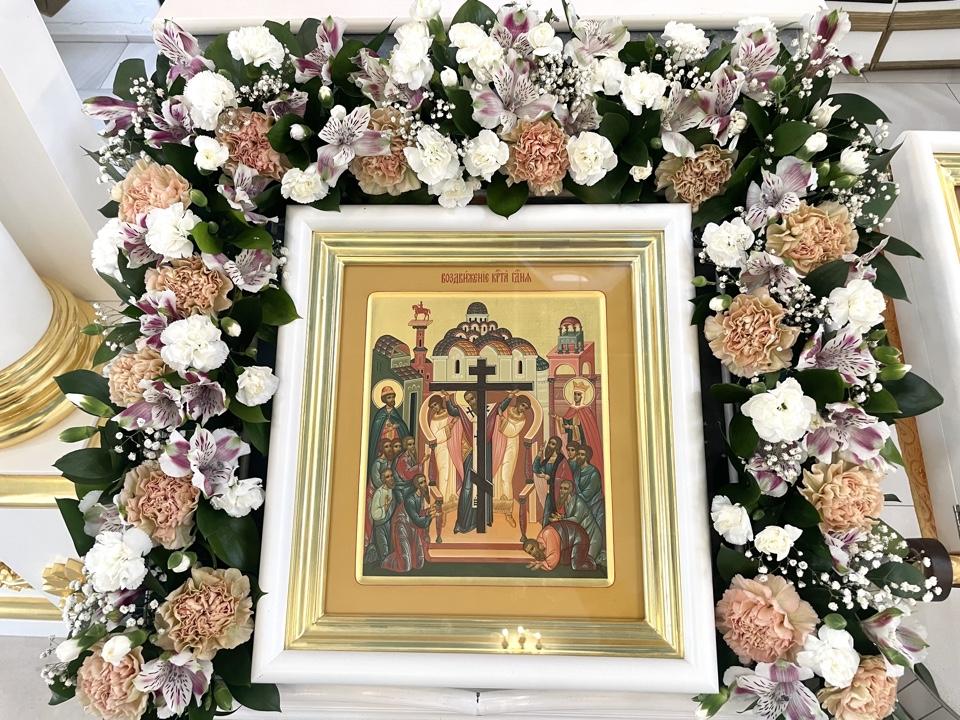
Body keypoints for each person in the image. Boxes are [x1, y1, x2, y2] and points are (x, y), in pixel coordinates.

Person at [491, 392, 538, 527]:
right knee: (494, 475)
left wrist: (502, 418)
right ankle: (490, 508)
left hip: (510, 447)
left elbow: (511, 431)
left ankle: (508, 512)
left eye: (526, 408)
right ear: (517, 403)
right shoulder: (506, 409)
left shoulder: (522, 419)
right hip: (498, 444)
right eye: (522, 405)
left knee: (505, 477)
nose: (523, 409)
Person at [382, 475, 438, 572]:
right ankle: (386, 561)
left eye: (425, 481)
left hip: (412, 526)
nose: (424, 484)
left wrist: (428, 512)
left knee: (419, 563)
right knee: (405, 566)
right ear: (417, 485)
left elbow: (417, 514)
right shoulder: (410, 500)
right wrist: (430, 516)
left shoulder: (420, 497)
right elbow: (418, 521)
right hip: (402, 526)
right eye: (421, 483)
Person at [423, 393, 464, 512]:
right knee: (444, 473)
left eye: (435, 405)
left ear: (440, 403)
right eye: (432, 407)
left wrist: (456, 425)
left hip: (453, 447)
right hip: (441, 449)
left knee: (454, 471)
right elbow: (435, 437)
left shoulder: (450, 413)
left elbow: (459, 427)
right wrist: (450, 425)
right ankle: (444, 501)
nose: (435, 408)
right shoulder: (434, 419)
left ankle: (454, 498)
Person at [550, 479, 604, 566]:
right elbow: (570, 517)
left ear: (571, 490)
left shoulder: (578, 502)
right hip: (582, 535)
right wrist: (561, 517)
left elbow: (576, 520)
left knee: (589, 561)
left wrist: (561, 520)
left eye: (565, 488)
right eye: (561, 488)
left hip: (592, 536)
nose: (562, 491)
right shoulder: (566, 502)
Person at [559, 383, 604, 478]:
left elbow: (587, 429)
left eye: (578, 394)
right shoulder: (571, 409)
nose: (576, 396)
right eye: (575, 394)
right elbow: (565, 420)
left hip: (583, 441)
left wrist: (571, 427)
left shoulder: (586, 411)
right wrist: (559, 419)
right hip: (572, 441)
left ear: (582, 396)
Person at [368, 386, 409, 482]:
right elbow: (377, 431)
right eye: (389, 397)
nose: (392, 399)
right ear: (384, 400)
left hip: (395, 444)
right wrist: (390, 428)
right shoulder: (380, 414)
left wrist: (398, 426)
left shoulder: (395, 413)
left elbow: (402, 427)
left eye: (393, 397)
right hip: (384, 445)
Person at [523, 519, 597, 572]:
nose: (532, 553)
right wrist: (540, 563)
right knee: (563, 562)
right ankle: (581, 557)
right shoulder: (541, 543)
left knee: (576, 566)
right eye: (530, 552)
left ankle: (592, 563)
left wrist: (542, 564)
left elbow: (554, 556)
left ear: (536, 543)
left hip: (579, 538)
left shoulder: (548, 533)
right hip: (568, 546)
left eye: (532, 549)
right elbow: (546, 557)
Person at [572, 445, 605, 556]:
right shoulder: (577, 472)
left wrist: (575, 499)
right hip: (583, 507)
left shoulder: (593, 473)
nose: (579, 456)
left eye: (582, 454)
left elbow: (588, 494)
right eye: (578, 454)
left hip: (594, 506)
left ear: (587, 457)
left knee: (595, 533)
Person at [533, 435, 572, 525]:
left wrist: (550, 478)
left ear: (557, 446)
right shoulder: (548, 460)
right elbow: (536, 469)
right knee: (547, 516)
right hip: (549, 492)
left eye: (553, 444)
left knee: (556, 516)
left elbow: (566, 478)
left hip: (558, 493)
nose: (550, 445)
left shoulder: (562, 460)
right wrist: (540, 452)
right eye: (550, 443)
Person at [364, 438, 396, 549]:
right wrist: (386, 488)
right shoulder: (377, 463)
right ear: (382, 449)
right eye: (386, 446)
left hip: (386, 492)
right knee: (374, 521)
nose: (389, 448)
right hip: (375, 494)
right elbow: (377, 481)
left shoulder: (388, 461)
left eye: (390, 446)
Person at [366, 468, 396, 565]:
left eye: (391, 475)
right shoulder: (378, 493)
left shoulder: (391, 490)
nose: (391, 478)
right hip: (380, 526)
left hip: (389, 524)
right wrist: (385, 508)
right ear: (383, 480)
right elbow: (374, 513)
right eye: (387, 477)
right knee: (384, 550)